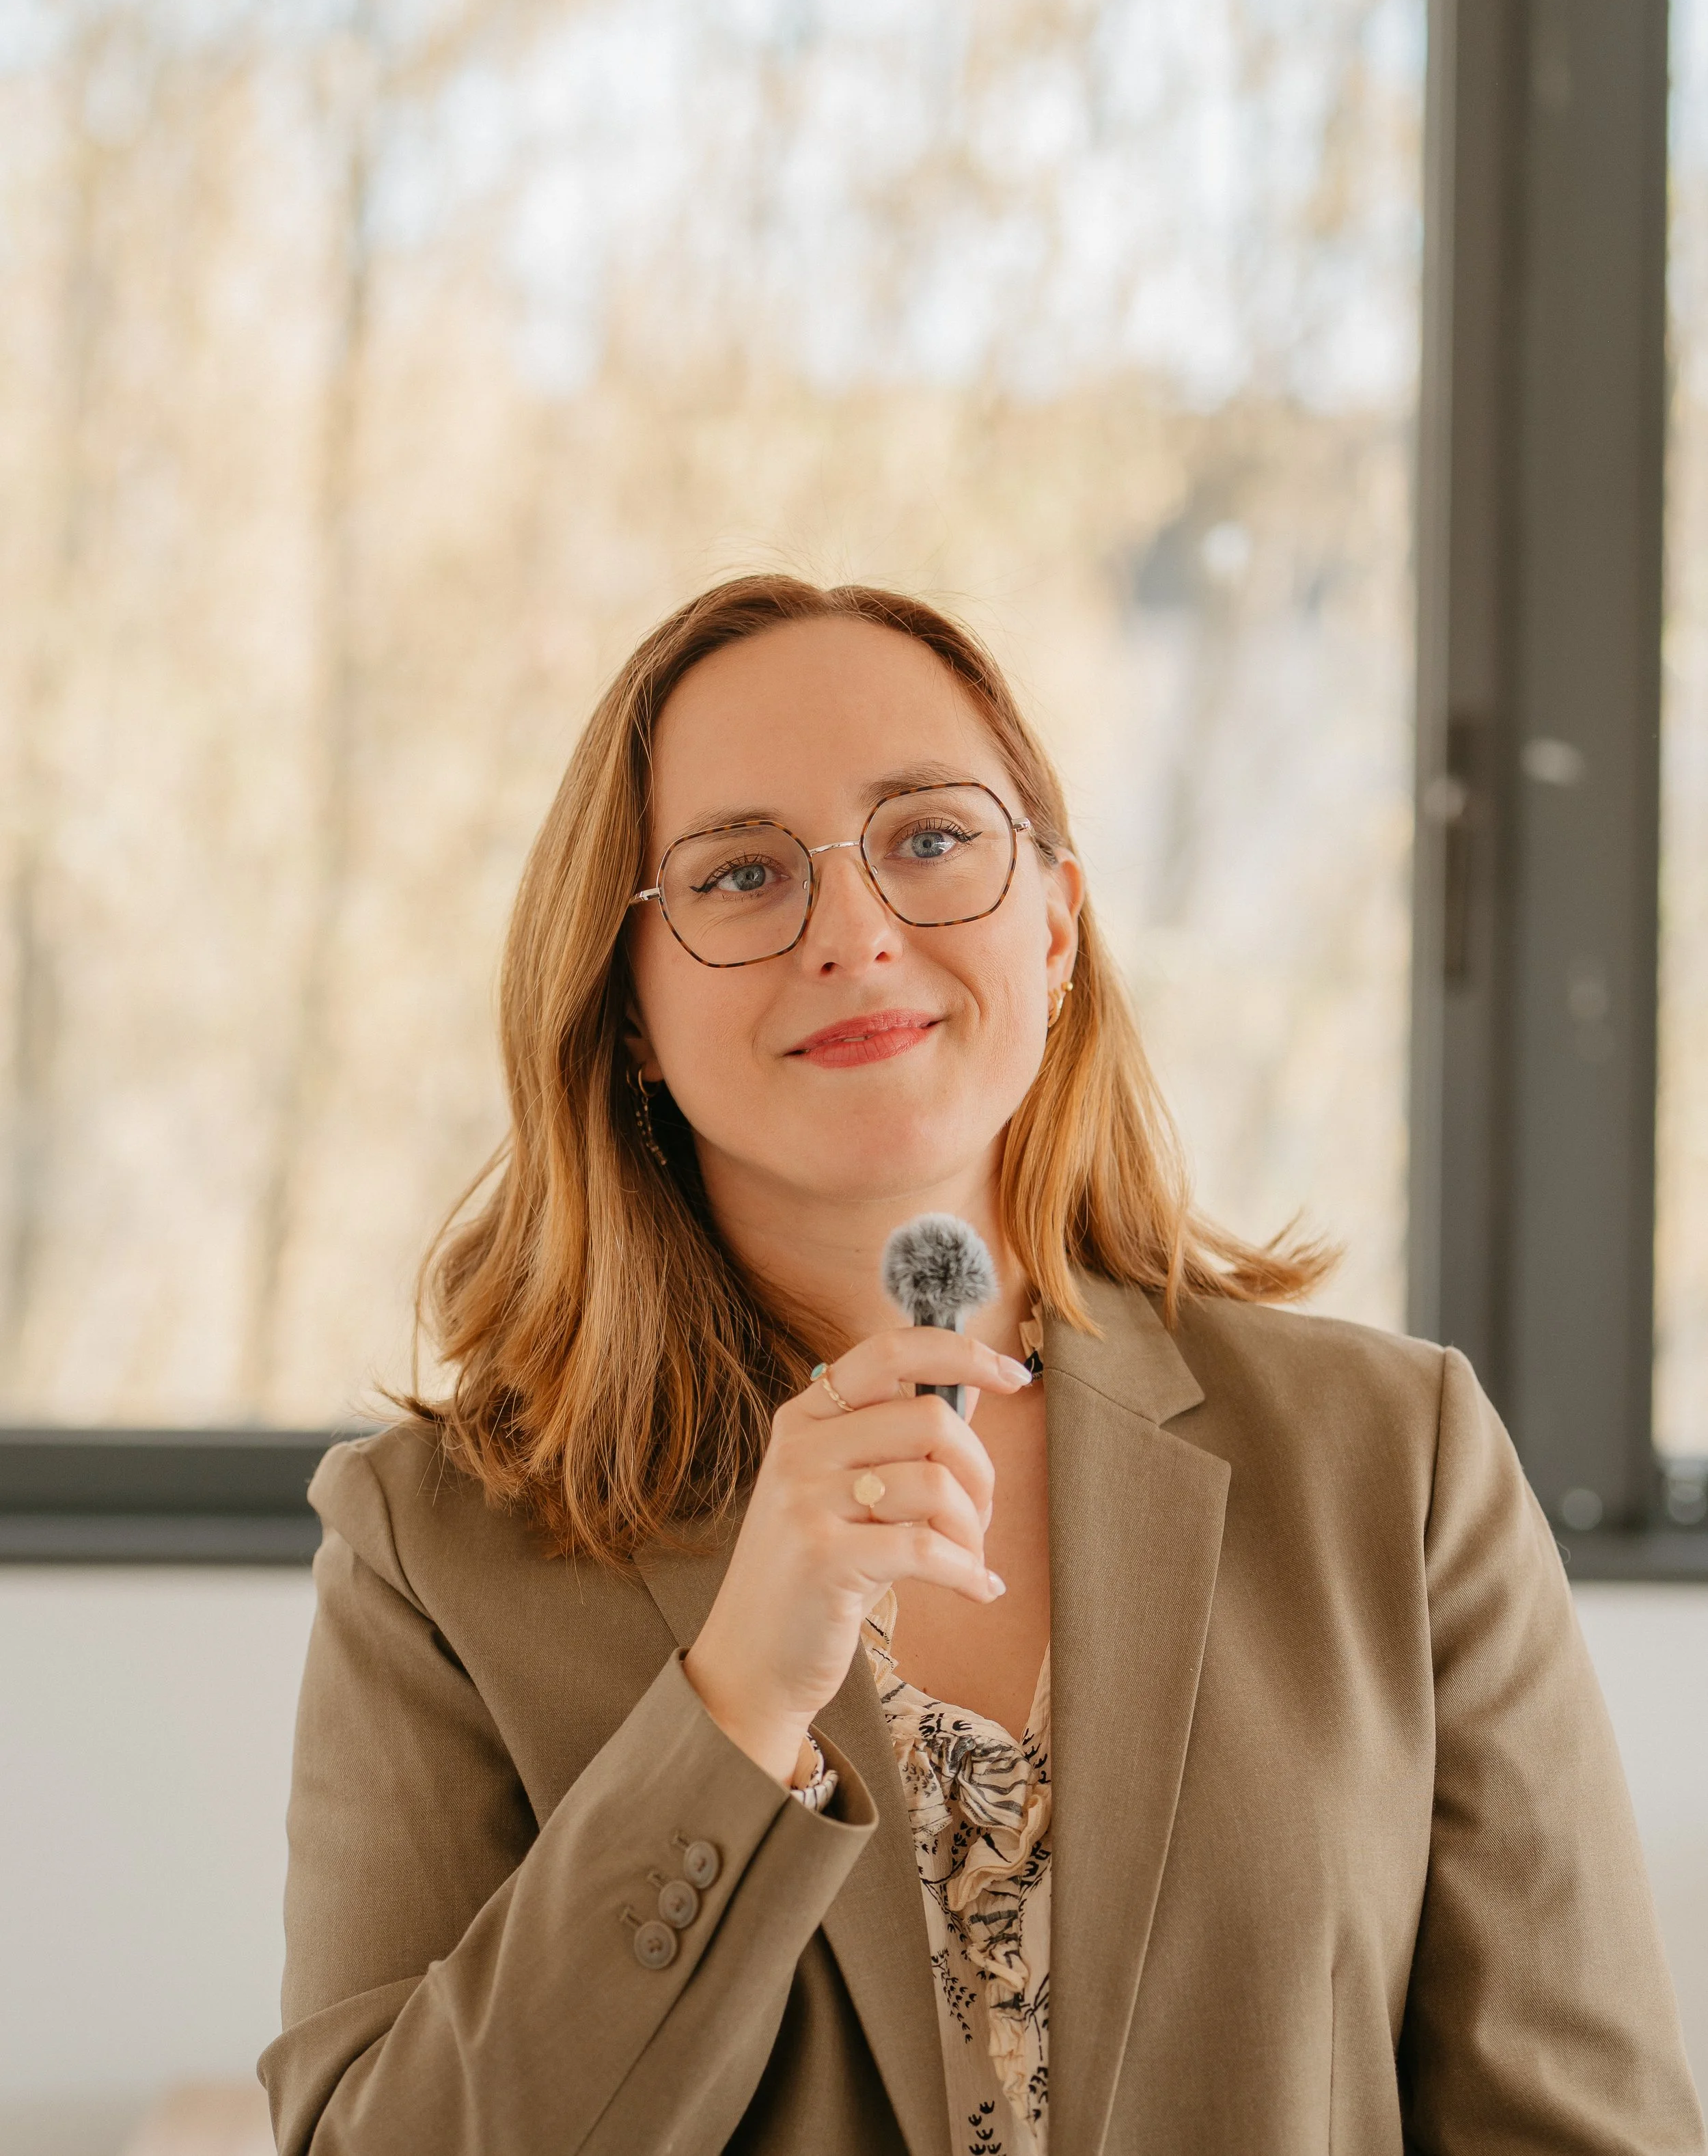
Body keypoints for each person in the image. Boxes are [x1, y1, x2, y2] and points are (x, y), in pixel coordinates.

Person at [261, 574, 1703, 2156]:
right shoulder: (432, 1550)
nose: (856, 933)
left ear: (1057, 923)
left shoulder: (1396, 1463)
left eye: (931, 840)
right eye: (741, 875)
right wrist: (738, 1699)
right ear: (628, 1019)